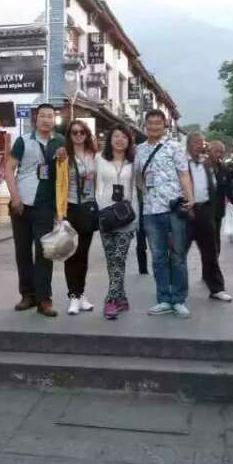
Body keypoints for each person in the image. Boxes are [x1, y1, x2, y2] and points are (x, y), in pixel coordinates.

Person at [4, 103, 65, 317]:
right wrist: (15, 198)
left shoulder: (60, 142)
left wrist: (64, 157)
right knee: (22, 252)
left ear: (54, 120)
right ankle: (27, 295)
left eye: (50, 116)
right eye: (43, 116)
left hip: (45, 206)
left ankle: (44, 300)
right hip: (21, 205)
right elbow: (9, 169)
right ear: (36, 119)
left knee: (44, 253)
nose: (46, 120)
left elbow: (66, 171)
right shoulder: (23, 141)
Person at [135, 109, 195, 318]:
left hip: (173, 209)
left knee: (177, 256)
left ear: (164, 125)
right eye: (150, 123)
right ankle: (163, 299)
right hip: (150, 211)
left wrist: (190, 198)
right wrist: (143, 192)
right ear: (145, 125)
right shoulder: (139, 150)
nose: (154, 126)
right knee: (158, 257)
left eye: (158, 123)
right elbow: (138, 177)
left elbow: (184, 174)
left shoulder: (175, 146)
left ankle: (178, 299)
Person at [95, 124, 139, 320]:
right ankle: (121, 299)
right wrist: (99, 209)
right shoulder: (99, 159)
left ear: (129, 141)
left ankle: (110, 300)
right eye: (116, 136)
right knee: (111, 260)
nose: (120, 140)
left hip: (126, 216)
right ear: (110, 140)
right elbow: (96, 186)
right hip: (106, 215)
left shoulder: (134, 162)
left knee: (119, 258)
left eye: (124, 137)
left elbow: (136, 190)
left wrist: (136, 218)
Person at [185, 132, 232, 301]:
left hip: (205, 211)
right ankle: (175, 292)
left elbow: (213, 188)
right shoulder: (181, 163)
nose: (200, 146)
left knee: (211, 251)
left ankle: (217, 288)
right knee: (178, 253)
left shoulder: (206, 164)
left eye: (202, 143)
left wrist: (211, 211)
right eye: (196, 142)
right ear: (189, 144)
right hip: (185, 211)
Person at [63, 119, 97, 316]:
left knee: (83, 253)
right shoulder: (64, 155)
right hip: (70, 207)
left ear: (87, 134)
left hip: (88, 207)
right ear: (69, 135)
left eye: (82, 132)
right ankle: (73, 296)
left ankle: (81, 293)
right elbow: (58, 184)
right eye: (74, 132)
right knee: (71, 253)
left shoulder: (94, 155)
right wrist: (58, 212)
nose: (78, 135)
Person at [208, 140, 233, 257]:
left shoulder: (224, 169)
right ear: (209, 151)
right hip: (204, 210)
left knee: (215, 236)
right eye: (217, 151)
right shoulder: (201, 168)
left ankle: (215, 259)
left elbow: (229, 189)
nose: (219, 155)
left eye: (222, 152)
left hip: (218, 210)